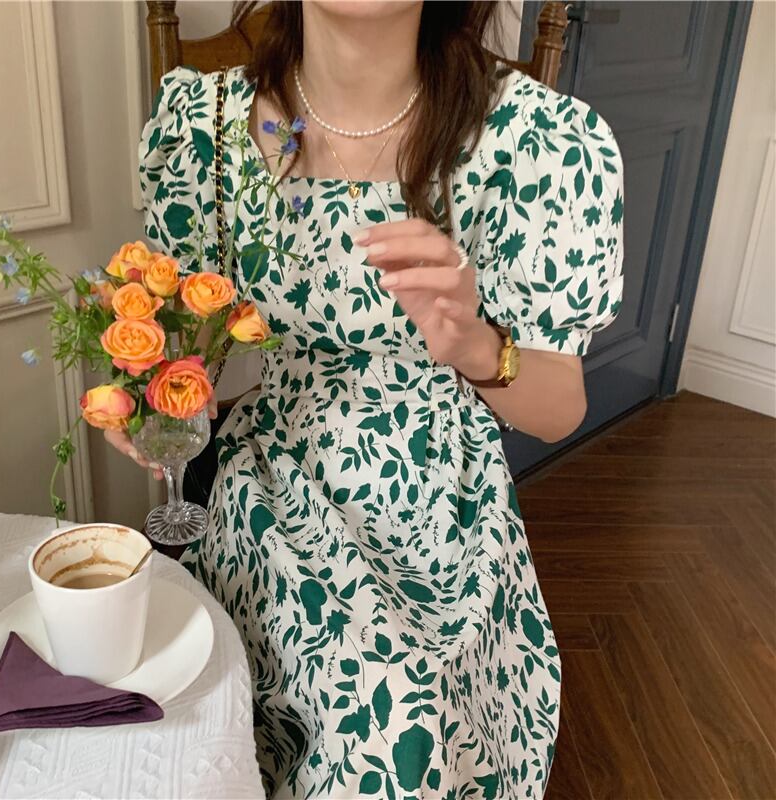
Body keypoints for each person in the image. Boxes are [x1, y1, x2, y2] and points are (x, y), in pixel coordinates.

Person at [123, 2, 625, 797]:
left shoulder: (538, 141)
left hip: (445, 508)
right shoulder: (207, 127)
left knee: (399, 732)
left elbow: (559, 406)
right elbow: (186, 349)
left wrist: (475, 345)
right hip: (274, 491)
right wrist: (151, 396)